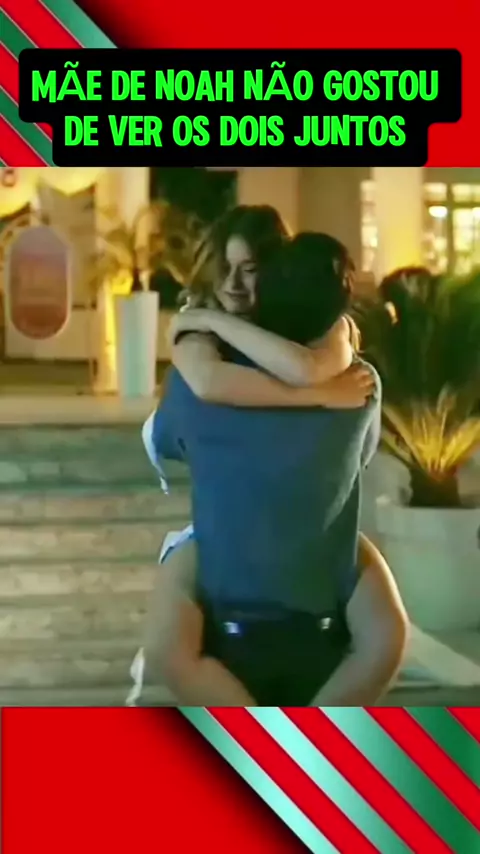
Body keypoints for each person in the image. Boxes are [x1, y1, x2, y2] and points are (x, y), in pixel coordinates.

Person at [129, 217, 408, 706]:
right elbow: (359, 456)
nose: (235, 284)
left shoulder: (200, 361)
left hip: (256, 549)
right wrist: (318, 399)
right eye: (226, 269)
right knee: (385, 637)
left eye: (250, 269)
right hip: (302, 547)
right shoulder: (353, 377)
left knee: (170, 641)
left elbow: (176, 440)